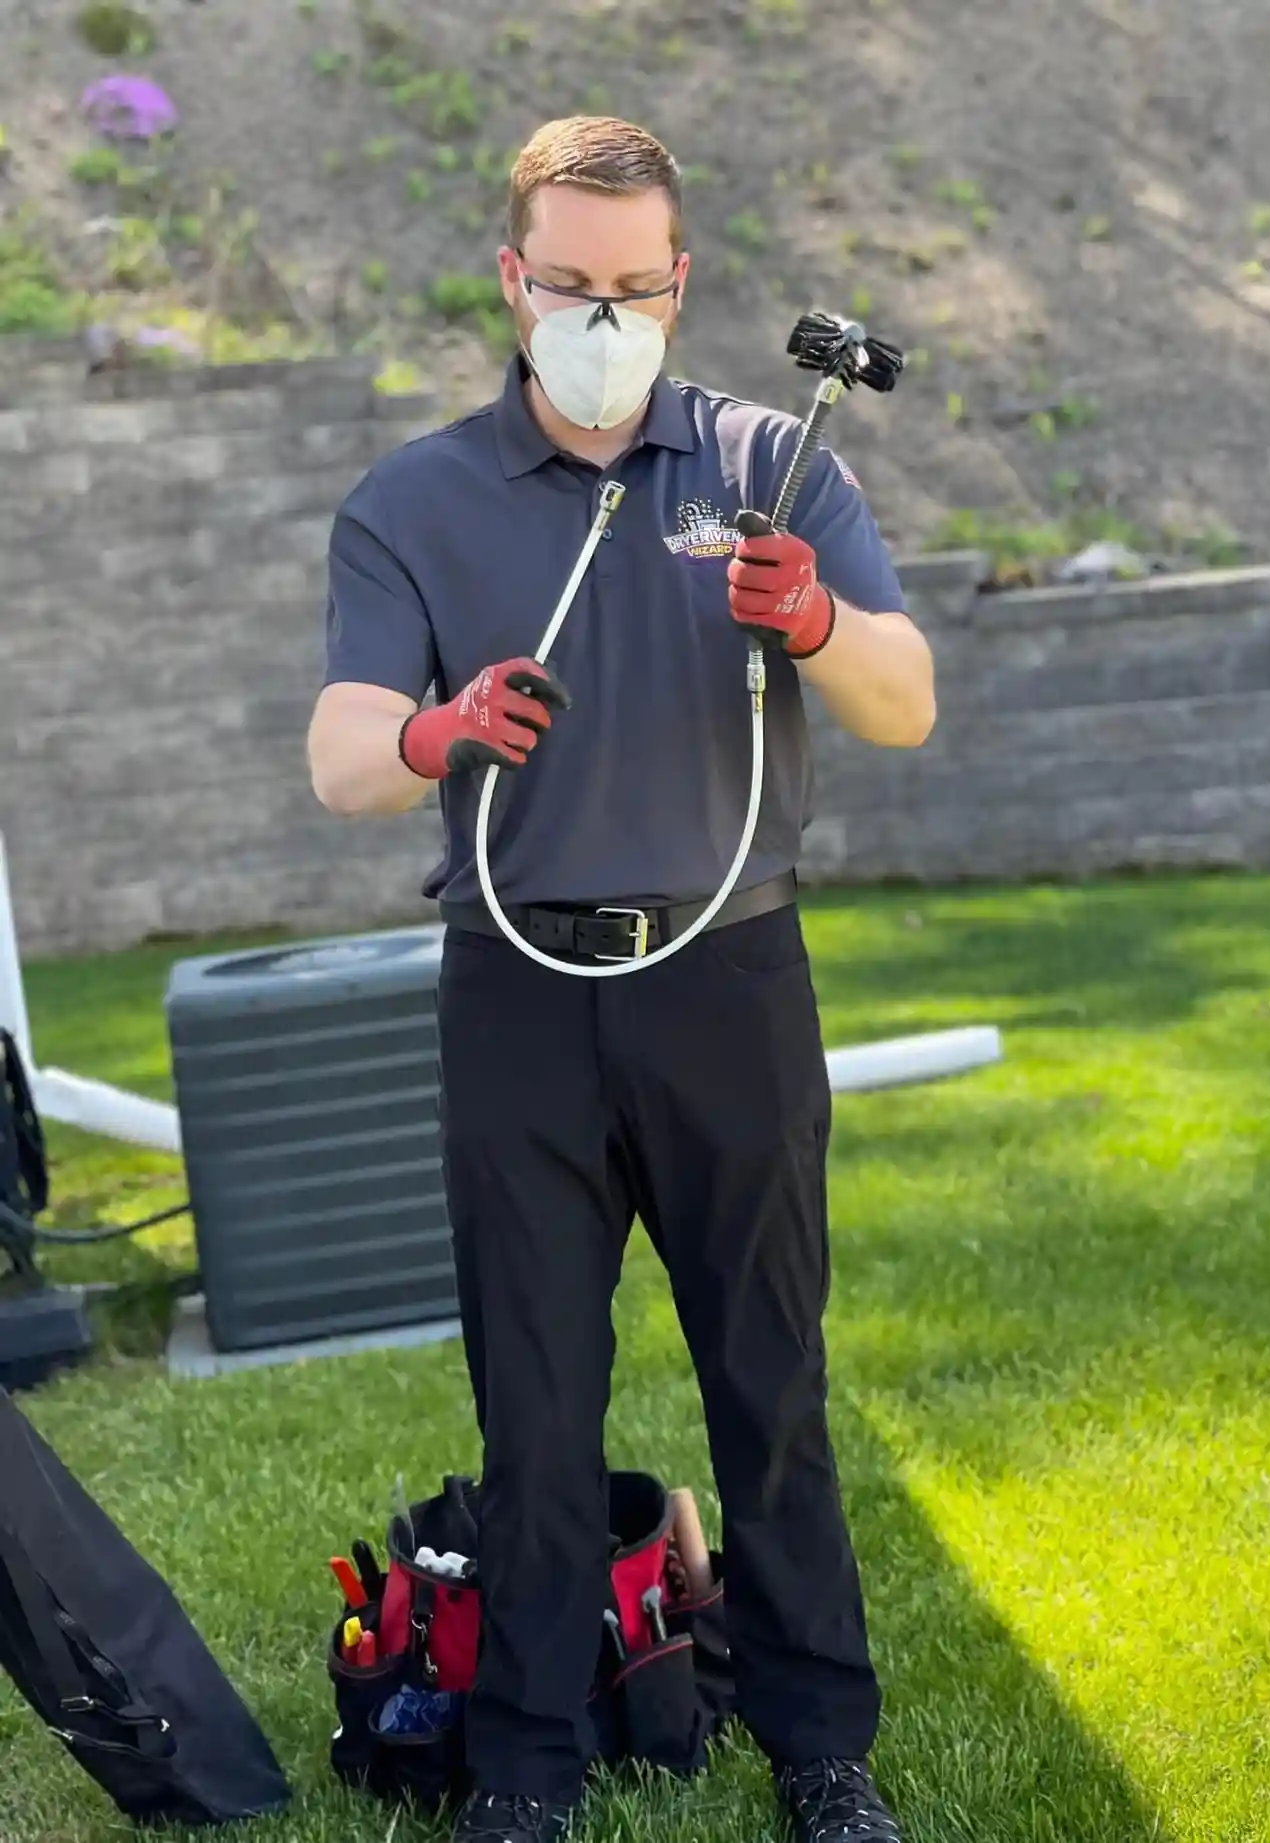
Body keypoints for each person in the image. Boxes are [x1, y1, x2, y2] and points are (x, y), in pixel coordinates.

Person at [307, 115, 935, 1843]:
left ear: (681, 280)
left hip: (724, 976)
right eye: (567, 283)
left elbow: (905, 698)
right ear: (513, 281)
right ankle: (522, 1764)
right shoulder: (415, 500)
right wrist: (435, 728)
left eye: (633, 284)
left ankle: (820, 1743)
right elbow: (343, 751)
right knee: (533, 1392)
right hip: (517, 985)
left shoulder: (770, 463)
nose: (602, 311)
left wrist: (814, 624)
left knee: (769, 1373)